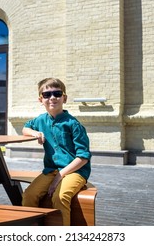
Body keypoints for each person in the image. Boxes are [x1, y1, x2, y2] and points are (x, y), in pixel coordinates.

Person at [22, 78, 92, 226]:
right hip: (50, 170)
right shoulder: (41, 120)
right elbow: (25, 128)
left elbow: (83, 157)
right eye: (47, 95)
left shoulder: (73, 124)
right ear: (41, 100)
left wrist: (60, 176)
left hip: (75, 171)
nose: (52, 97)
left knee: (60, 197)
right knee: (29, 195)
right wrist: (35, 133)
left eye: (57, 93)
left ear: (64, 98)